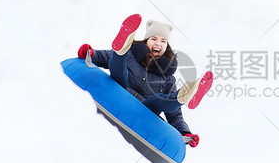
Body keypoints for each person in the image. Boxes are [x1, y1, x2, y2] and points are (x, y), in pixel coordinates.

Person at [77, 14, 213, 148]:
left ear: (167, 46)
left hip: (145, 109)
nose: (158, 44)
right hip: (119, 90)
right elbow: (105, 57)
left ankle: (183, 96)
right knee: (120, 73)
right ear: (146, 40)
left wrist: (185, 132)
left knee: (158, 100)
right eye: (154, 38)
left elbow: (174, 115)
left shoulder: (168, 78)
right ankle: (120, 50)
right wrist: (91, 53)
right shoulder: (130, 54)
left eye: (163, 41)